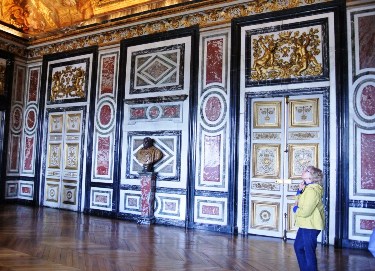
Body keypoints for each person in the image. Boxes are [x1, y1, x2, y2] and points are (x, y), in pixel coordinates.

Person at [293, 166, 324, 271]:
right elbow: (297, 200)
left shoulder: (312, 190)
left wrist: (295, 209)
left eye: (307, 170)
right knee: (299, 247)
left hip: (311, 225)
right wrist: (299, 191)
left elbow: (306, 212)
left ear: (312, 176)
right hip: (305, 224)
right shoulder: (307, 188)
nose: (303, 170)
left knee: (308, 251)